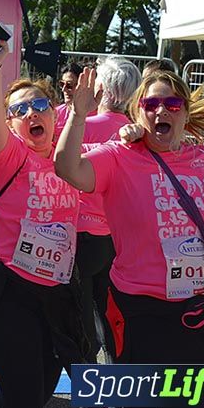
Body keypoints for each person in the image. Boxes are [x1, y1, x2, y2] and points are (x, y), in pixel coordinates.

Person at [55, 68, 204, 408]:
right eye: (151, 104)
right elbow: (67, 168)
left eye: (172, 104)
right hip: (142, 313)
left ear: (185, 112)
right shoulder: (119, 156)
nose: (161, 111)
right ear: (138, 111)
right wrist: (78, 115)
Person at [0, 25, 86, 408]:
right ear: (12, 123)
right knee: (24, 402)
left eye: (39, 105)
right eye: (19, 110)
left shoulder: (70, 158)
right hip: (6, 290)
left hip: (55, 294)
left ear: (54, 113)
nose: (32, 113)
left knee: (37, 392)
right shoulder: (9, 156)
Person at [73, 56, 141, 373]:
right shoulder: (139, 135)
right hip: (118, 237)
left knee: (81, 318)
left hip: (80, 233)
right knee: (112, 317)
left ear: (100, 87)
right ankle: (117, 387)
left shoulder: (80, 127)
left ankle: (89, 389)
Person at [53, 61, 83, 138]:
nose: (64, 89)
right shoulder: (56, 113)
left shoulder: (95, 113)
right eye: (62, 84)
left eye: (69, 85)